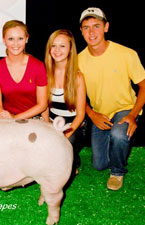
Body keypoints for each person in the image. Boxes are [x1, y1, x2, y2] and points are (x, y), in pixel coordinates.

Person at [78, 7, 145, 190]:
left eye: (96, 26)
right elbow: (76, 94)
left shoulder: (126, 54)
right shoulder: (78, 60)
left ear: (106, 27)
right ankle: (117, 147)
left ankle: (118, 171)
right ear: (81, 31)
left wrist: (133, 114)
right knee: (99, 164)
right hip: (100, 114)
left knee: (119, 135)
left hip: (125, 108)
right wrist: (91, 113)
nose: (91, 32)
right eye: (86, 27)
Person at [42, 29, 86, 174]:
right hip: (54, 124)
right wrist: (48, 126)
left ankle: (73, 158)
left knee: (62, 151)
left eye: (62, 46)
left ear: (70, 49)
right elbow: (44, 107)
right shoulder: (46, 74)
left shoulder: (77, 77)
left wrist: (65, 136)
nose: (57, 50)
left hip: (74, 126)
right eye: (53, 46)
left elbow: (80, 115)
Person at [0, 20, 47, 120]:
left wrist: (15, 118)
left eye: (20, 38)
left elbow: (42, 105)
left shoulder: (38, 66)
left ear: (26, 39)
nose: (15, 44)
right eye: (11, 39)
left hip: (33, 119)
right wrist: (3, 115)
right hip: (8, 120)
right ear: (4, 40)